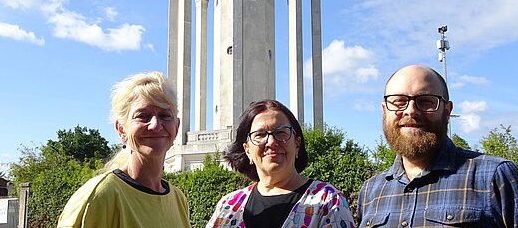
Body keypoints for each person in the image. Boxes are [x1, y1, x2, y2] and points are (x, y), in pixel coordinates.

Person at [357, 64, 518, 227]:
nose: (411, 111)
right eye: (399, 102)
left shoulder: (498, 177)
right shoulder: (370, 191)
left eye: (426, 101)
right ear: (384, 111)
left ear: (447, 111)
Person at [57, 71, 190, 228]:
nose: (155, 125)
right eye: (143, 116)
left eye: (165, 115)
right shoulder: (100, 196)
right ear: (121, 129)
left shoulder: (178, 199)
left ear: (176, 126)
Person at [206, 99, 355, 228]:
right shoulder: (229, 206)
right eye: (260, 135)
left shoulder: (327, 201)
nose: (271, 142)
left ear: (297, 144)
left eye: (281, 133)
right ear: (248, 150)